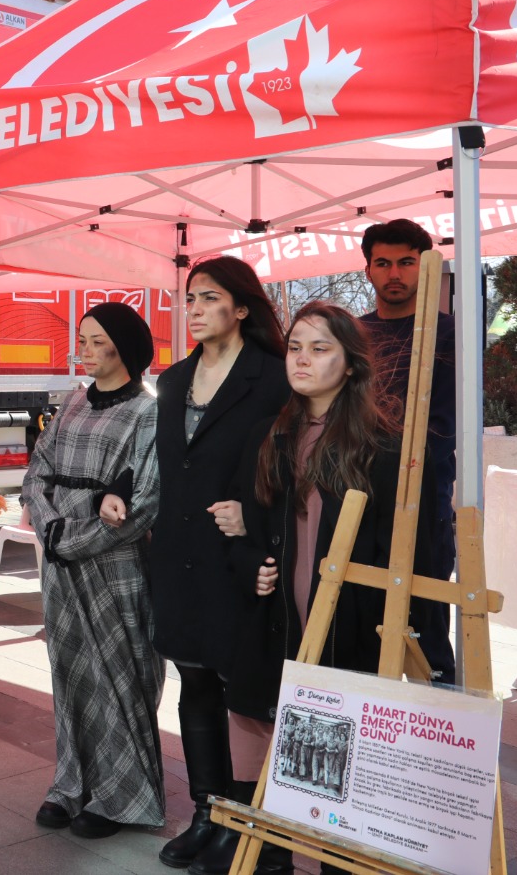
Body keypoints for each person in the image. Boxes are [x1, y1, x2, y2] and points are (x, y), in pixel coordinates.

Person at [223, 303, 403, 875]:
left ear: (350, 364)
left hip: (344, 635)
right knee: (265, 778)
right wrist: (252, 562)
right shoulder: (270, 432)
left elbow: (398, 557)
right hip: (273, 626)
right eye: (296, 346)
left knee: (334, 785)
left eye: (320, 348)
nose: (302, 359)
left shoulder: (381, 445)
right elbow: (245, 526)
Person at [149, 258, 289, 873]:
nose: (196, 308)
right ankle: (207, 812)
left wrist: (257, 528)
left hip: (238, 554)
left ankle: (247, 820)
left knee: (245, 692)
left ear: (241, 307)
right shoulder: (176, 379)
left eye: (209, 298)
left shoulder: (274, 377)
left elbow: (289, 471)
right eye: (190, 298)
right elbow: (168, 467)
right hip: (178, 556)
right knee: (194, 682)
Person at [24, 302, 164, 839]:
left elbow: (146, 501)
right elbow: (38, 471)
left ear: (123, 348)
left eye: (94, 339)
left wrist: (74, 538)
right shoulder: (73, 402)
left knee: (122, 675)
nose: (81, 347)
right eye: (80, 337)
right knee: (70, 674)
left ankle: (122, 795)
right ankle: (70, 783)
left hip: (117, 564)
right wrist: (51, 528)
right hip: (62, 559)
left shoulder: (149, 413)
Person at [357, 219, 457, 684]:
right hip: (356, 497)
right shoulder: (351, 337)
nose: (394, 273)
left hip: (424, 501)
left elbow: (449, 423)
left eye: (406, 262)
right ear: (368, 271)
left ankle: (436, 741)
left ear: (425, 267)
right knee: (358, 622)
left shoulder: (452, 335)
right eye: (383, 263)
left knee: (427, 626)